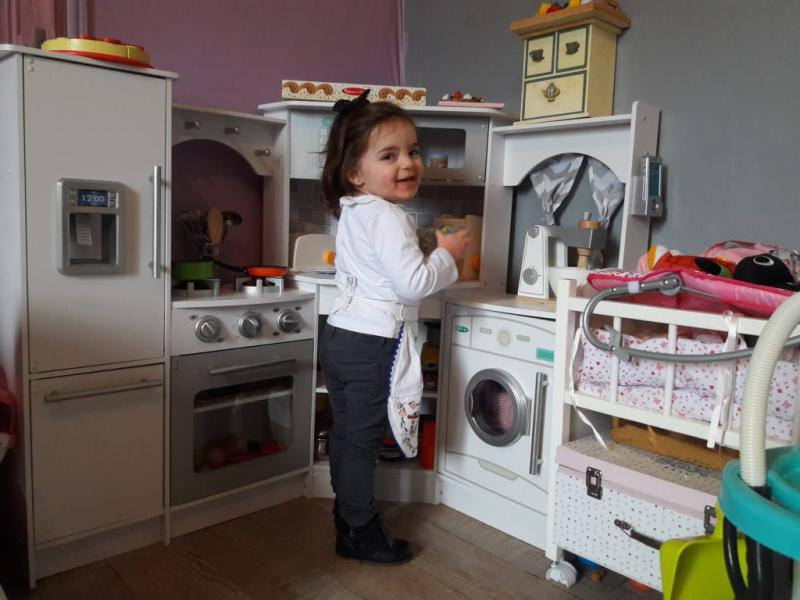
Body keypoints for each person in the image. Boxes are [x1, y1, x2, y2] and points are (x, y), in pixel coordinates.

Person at [318, 91, 471, 565]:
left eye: (413, 151)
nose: (407, 163)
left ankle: (348, 515)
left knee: (346, 434)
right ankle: (359, 530)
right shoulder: (387, 216)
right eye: (389, 155)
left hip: (340, 334)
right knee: (362, 441)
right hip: (370, 342)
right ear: (356, 172)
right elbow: (412, 285)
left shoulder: (354, 210)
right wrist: (449, 254)